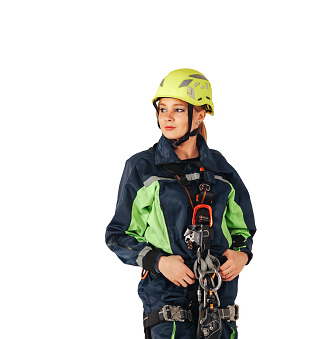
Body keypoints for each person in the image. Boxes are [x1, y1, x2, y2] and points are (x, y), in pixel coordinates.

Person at [105, 68, 256, 339]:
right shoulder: (143, 168)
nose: (167, 117)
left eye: (177, 109)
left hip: (219, 303)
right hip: (168, 304)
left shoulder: (221, 170)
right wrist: (160, 262)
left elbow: (242, 229)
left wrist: (242, 254)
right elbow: (118, 236)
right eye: (162, 109)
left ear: (200, 115)